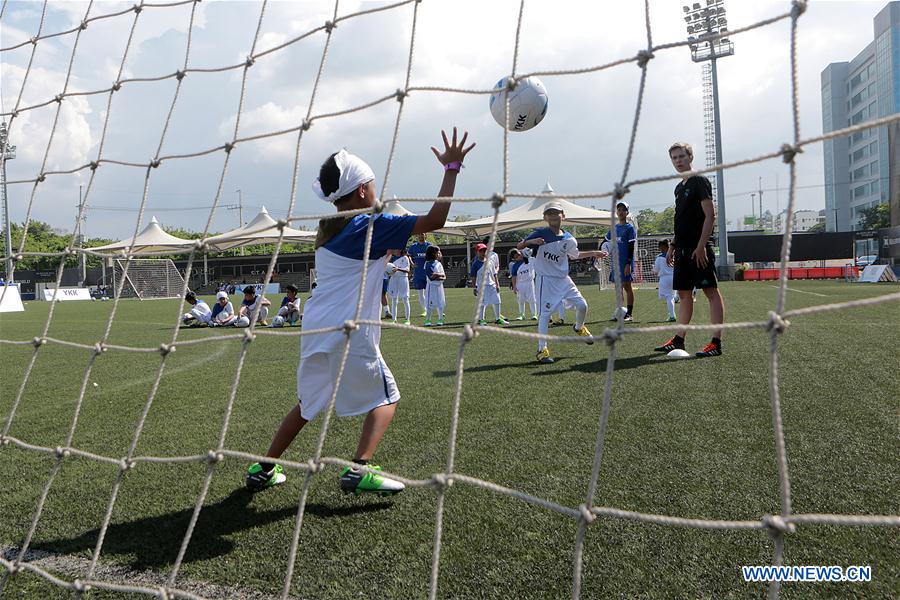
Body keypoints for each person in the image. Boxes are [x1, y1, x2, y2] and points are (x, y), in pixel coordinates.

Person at [245, 127, 475, 495]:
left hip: (316, 328)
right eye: (373, 184)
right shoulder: (371, 225)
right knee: (387, 398)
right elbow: (435, 221)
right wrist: (451, 168)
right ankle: (359, 468)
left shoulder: (330, 230)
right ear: (364, 191)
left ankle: (265, 467)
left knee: (306, 404)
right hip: (349, 329)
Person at [654, 142, 725, 357]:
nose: (678, 161)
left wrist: (701, 246)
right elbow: (681, 221)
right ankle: (678, 340)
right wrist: (672, 246)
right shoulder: (679, 187)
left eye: (681, 156)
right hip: (682, 250)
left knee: (711, 293)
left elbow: (710, 215)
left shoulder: (699, 181)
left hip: (698, 249)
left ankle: (715, 343)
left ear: (690, 157)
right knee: (684, 295)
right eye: (674, 158)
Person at [517, 202, 607, 364]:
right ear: (545, 217)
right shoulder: (540, 233)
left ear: (563, 216)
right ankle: (542, 349)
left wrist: (594, 253)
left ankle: (579, 327)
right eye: (549, 213)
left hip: (564, 279)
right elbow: (519, 246)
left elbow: (574, 255)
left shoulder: (569, 239)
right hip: (546, 279)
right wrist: (531, 242)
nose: (553, 215)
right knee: (545, 315)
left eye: (556, 213)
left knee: (583, 306)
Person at [604, 200, 637, 322]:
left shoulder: (630, 228)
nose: (621, 212)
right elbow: (606, 241)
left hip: (625, 263)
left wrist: (628, 263)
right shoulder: (614, 228)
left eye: (623, 210)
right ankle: (619, 312)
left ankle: (629, 314)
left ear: (627, 212)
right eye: (619, 210)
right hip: (615, 262)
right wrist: (600, 251)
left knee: (627, 287)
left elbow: (631, 247)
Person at [470, 243, 507, 326]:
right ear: (477, 252)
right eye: (481, 251)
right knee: (482, 303)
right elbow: (473, 276)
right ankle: (481, 320)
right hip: (482, 286)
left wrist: (497, 284)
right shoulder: (475, 264)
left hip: (492, 285)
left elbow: (494, 274)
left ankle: (498, 319)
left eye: (485, 250)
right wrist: (474, 287)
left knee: (497, 301)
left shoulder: (490, 261)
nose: (483, 252)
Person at [651, 239, 677, 322]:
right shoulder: (675, 255)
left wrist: (653, 268)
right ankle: (672, 314)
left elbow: (655, 271)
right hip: (674, 277)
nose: (659, 248)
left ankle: (672, 316)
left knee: (669, 297)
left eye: (659, 247)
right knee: (672, 297)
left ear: (662, 247)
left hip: (665, 279)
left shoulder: (659, 257)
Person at [509, 248, 538, 320]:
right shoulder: (515, 266)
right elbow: (514, 277)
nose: (519, 257)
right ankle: (522, 315)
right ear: (514, 259)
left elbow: (532, 254)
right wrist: (514, 286)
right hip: (520, 284)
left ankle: (534, 314)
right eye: (516, 257)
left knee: (532, 299)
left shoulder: (528, 259)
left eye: (519, 254)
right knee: (521, 300)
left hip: (530, 282)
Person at [408, 233, 432, 317]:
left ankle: (436, 308)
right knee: (420, 293)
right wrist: (411, 263)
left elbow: (436, 255)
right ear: (417, 236)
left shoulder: (429, 246)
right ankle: (424, 310)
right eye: (419, 234)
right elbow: (409, 256)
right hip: (418, 273)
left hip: (429, 272)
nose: (420, 235)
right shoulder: (413, 246)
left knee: (430, 292)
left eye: (422, 234)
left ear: (426, 236)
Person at [423, 245, 446, 326]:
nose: (439, 254)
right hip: (431, 287)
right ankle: (428, 320)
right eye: (437, 252)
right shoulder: (427, 264)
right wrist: (439, 275)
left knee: (440, 302)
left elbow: (444, 276)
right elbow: (431, 277)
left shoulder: (439, 264)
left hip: (439, 287)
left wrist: (437, 275)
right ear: (433, 253)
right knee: (430, 304)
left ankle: (440, 319)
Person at [388, 248, 412, 325]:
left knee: (405, 299)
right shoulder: (391, 258)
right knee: (394, 299)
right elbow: (387, 269)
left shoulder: (405, 258)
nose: (397, 251)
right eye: (395, 249)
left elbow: (407, 270)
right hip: (393, 279)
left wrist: (398, 269)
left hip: (403, 279)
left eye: (398, 249)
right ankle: (394, 319)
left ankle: (407, 319)